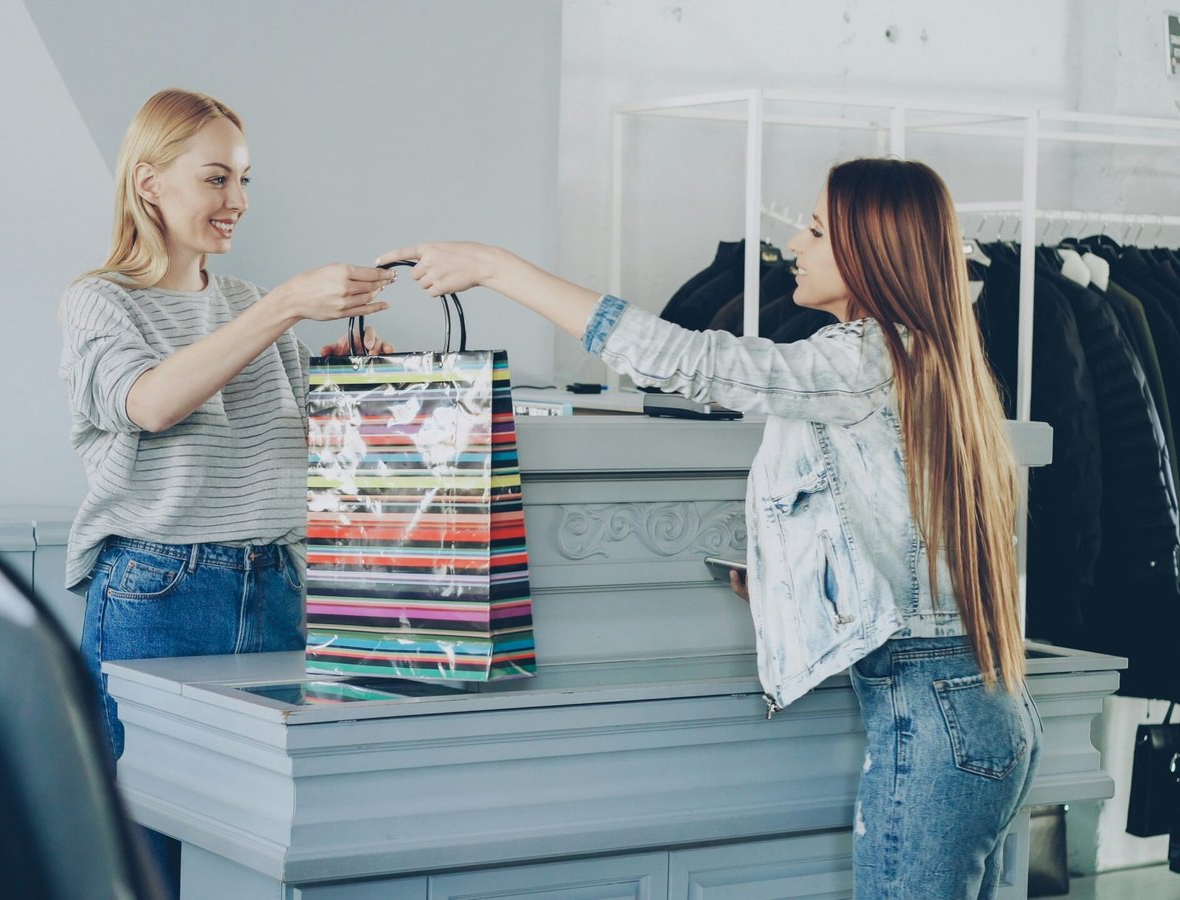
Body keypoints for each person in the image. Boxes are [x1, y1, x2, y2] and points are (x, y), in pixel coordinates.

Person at [379, 158, 1041, 900]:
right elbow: (896, 523)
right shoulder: (922, 356)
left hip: (932, 715)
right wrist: (788, 579)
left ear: (871, 250)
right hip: (972, 704)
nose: (794, 244)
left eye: (817, 229)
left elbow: (687, 361)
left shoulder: (863, 357)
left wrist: (495, 267)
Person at [58, 88, 393, 896]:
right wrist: (283, 307)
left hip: (276, 585)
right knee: (140, 860)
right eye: (216, 179)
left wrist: (355, 384)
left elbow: (315, 455)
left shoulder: (246, 306)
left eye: (244, 180)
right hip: (158, 595)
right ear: (149, 183)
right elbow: (151, 402)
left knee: (253, 850)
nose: (237, 202)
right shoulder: (100, 301)